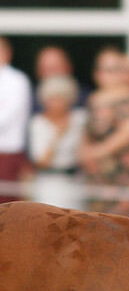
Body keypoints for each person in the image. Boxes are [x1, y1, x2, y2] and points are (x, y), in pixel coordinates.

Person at [78, 48, 129, 216]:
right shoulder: (94, 100)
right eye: (102, 69)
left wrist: (95, 153)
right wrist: (85, 154)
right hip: (95, 181)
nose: (106, 75)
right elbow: (86, 136)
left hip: (122, 180)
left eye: (112, 69)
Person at [27, 75, 87, 209]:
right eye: (51, 98)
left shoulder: (80, 118)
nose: (55, 103)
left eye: (60, 98)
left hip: (76, 180)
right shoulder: (38, 123)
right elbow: (41, 162)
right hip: (49, 182)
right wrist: (57, 136)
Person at [0, 36, 32, 203]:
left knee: (6, 207)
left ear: (7, 53)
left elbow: (5, 118)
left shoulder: (17, 80)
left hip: (7, 154)